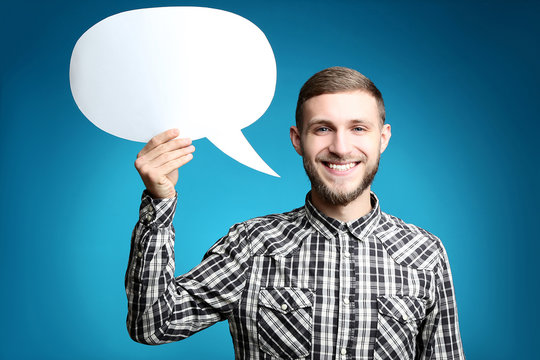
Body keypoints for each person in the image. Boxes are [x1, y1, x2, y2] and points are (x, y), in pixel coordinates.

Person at [125, 66, 465, 359]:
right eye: (323, 128)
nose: (341, 147)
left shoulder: (426, 253)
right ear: (297, 139)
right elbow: (152, 325)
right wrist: (160, 199)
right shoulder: (252, 245)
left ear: (383, 138)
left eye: (358, 128)